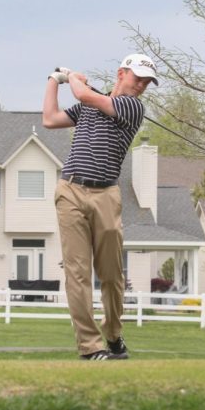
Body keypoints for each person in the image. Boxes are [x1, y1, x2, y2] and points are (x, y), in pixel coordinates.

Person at [42, 54, 159, 360]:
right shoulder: (88, 107)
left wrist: (74, 79)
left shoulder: (132, 107)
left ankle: (114, 334)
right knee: (77, 273)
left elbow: (82, 93)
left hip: (106, 194)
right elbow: (50, 119)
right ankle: (90, 347)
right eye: (138, 78)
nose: (142, 85)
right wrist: (55, 80)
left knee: (111, 274)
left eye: (147, 82)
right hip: (70, 191)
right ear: (121, 73)